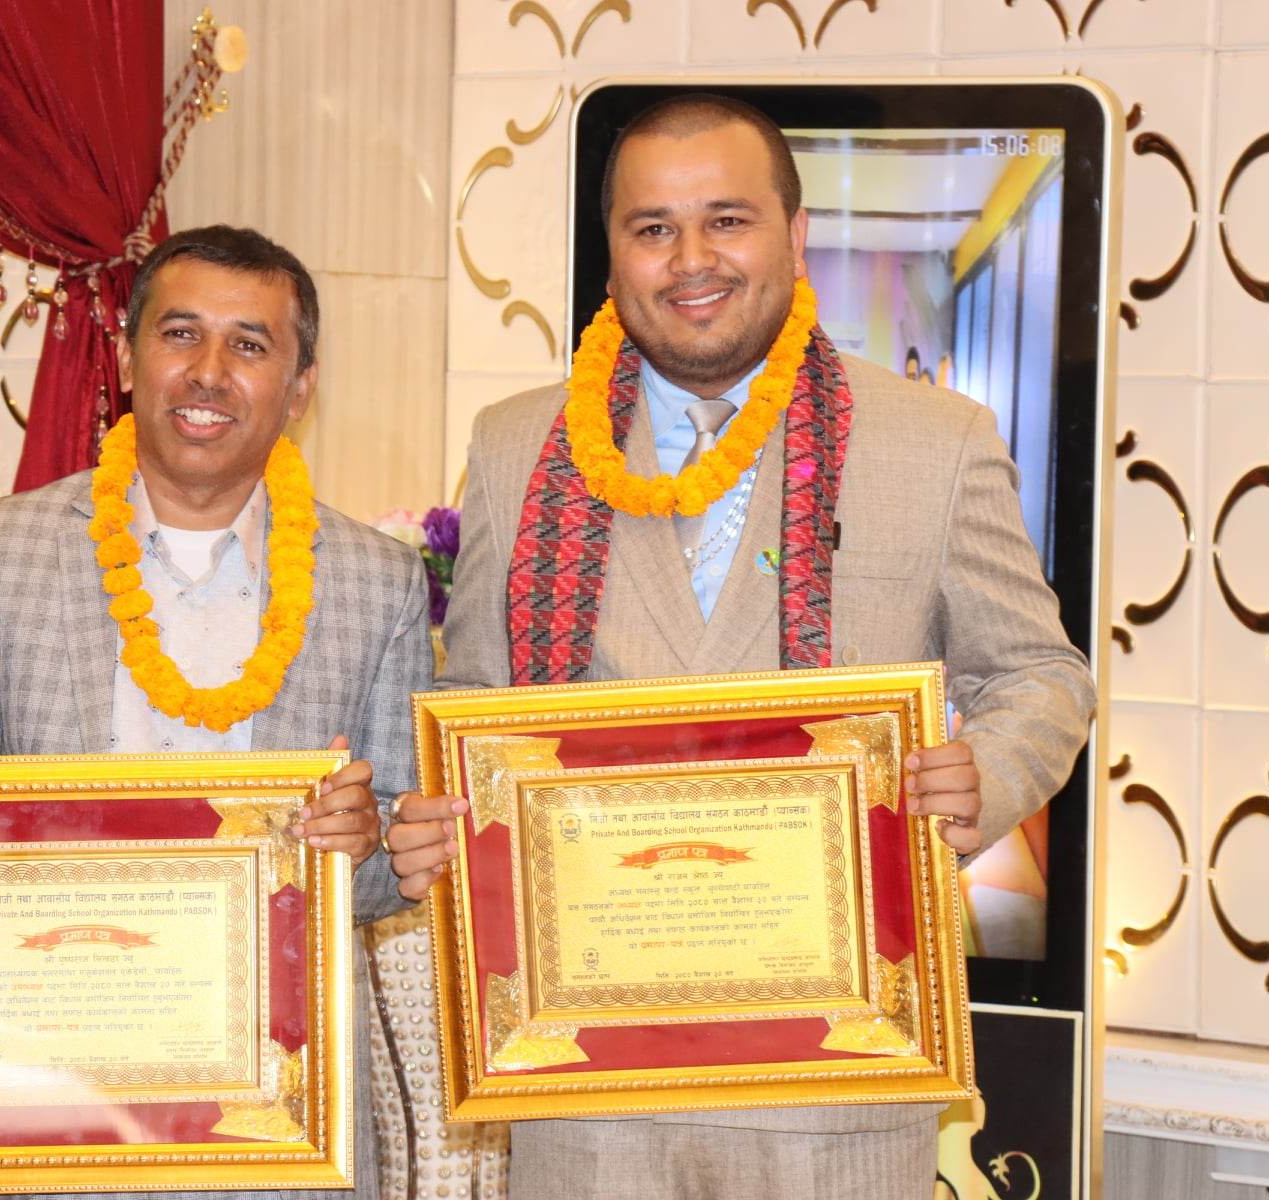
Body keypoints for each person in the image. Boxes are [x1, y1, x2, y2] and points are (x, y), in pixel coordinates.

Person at [386, 94, 1094, 1199]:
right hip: (586, 1086)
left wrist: (981, 780)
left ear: (794, 234)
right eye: (653, 228)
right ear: (613, 252)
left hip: (838, 1086)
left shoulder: (935, 442)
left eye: (727, 220)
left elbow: (1043, 677)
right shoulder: (517, 444)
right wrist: (439, 812)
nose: (691, 260)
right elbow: (477, 697)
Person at [0, 225, 432, 1200]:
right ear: (129, 360)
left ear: (300, 387)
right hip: (45, 1100)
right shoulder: (3, 552)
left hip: (272, 1115)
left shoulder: (375, 581)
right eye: (180, 334)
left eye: (249, 345)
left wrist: (366, 843)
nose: (208, 371)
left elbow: (394, 867)